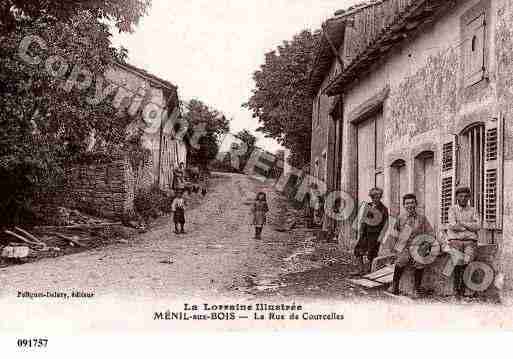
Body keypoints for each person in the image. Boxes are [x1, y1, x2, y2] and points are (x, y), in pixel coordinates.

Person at [388, 193, 436, 298]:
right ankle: (394, 285)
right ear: (404, 205)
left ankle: (416, 289)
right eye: (407, 203)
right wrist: (395, 249)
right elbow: (394, 234)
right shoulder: (400, 218)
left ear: (416, 204)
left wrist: (426, 245)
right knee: (401, 260)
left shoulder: (422, 218)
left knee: (419, 261)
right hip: (404, 246)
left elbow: (431, 233)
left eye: (412, 203)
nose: (410, 205)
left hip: (418, 246)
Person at [444, 186, 481, 297]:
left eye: (466, 196)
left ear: (469, 197)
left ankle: (464, 289)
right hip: (455, 241)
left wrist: (463, 224)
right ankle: (456, 289)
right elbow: (453, 226)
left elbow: (478, 226)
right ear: (457, 197)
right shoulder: (452, 209)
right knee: (457, 262)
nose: (463, 198)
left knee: (468, 262)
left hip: (470, 241)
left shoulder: (473, 210)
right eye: (461, 196)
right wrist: (470, 226)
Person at [352, 187, 389, 275]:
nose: (375, 199)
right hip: (365, 232)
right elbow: (363, 219)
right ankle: (360, 269)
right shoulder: (368, 205)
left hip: (375, 234)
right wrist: (360, 230)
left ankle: (369, 271)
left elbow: (386, 224)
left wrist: (381, 236)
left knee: (372, 253)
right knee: (357, 250)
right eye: (373, 197)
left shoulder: (383, 209)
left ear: (380, 197)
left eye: (377, 196)